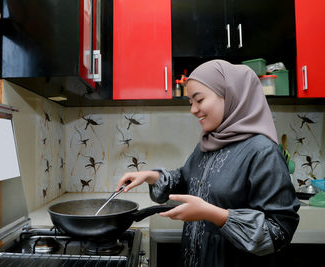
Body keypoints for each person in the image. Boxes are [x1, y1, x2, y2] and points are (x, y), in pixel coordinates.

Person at [116, 60, 300, 267]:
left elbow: (279, 231)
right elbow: (185, 180)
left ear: (230, 95)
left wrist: (212, 214)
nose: (193, 110)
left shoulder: (263, 151)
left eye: (199, 100)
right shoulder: (209, 142)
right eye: (190, 103)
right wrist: (149, 176)